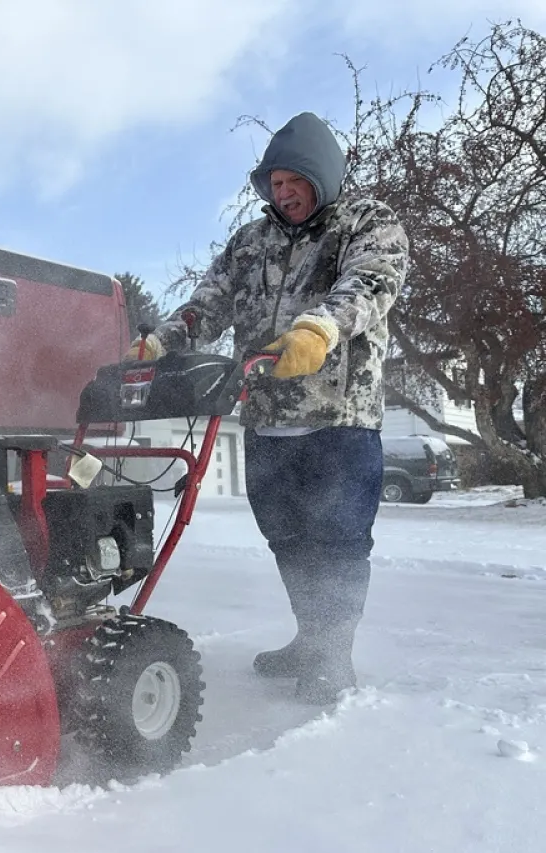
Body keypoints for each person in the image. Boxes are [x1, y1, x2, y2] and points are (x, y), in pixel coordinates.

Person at [128, 112, 409, 705]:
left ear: (321, 176)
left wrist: (319, 329)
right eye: (274, 185)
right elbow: (209, 302)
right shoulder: (252, 242)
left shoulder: (367, 223)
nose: (283, 195)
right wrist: (162, 339)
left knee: (335, 541)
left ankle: (333, 653)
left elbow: (370, 283)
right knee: (288, 538)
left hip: (338, 420)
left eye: (294, 182)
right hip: (264, 419)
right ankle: (311, 638)